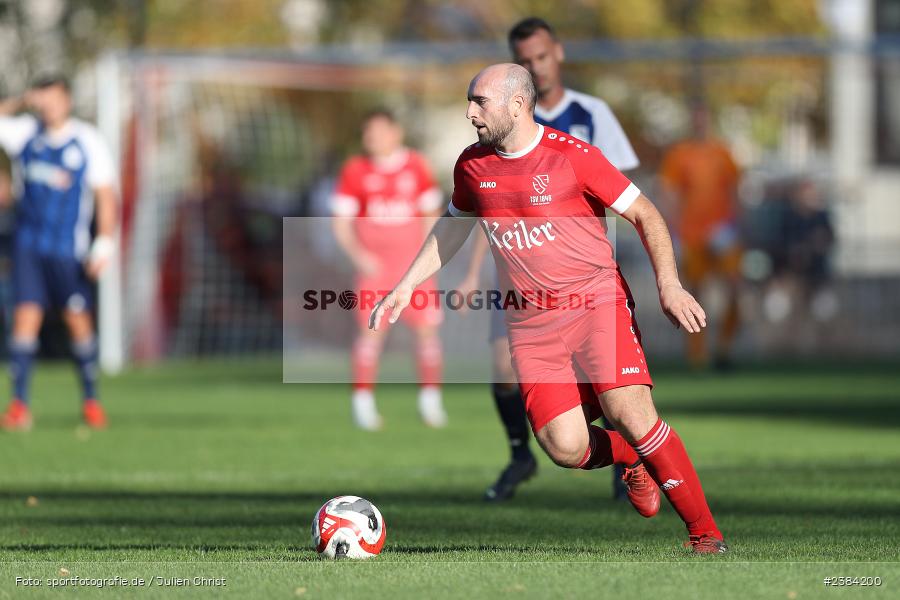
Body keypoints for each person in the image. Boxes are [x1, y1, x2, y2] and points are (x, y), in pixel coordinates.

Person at [371, 64, 727, 553]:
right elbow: (453, 225)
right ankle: (630, 458)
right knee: (565, 447)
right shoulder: (471, 165)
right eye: (470, 102)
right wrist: (405, 285)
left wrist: (670, 285)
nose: (471, 113)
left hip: (595, 303)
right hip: (531, 325)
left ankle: (705, 536)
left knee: (629, 411)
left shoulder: (573, 157)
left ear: (517, 105)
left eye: (481, 102)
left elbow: (645, 212)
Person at [456, 17, 638, 503]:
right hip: (517, 275)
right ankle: (520, 454)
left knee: (611, 390)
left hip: (582, 280)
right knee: (502, 367)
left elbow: (623, 193)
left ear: (556, 54)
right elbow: (488, 206)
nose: (534, 65)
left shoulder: (590, 114)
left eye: (540, 56)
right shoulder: (496, 128)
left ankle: (628, 456)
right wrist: (473, 272)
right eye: (525, 58)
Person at [0, 75, 118, 431]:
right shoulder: (25, 134)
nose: (49, 106)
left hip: (69, 249)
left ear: (67, 100)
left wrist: (105, 241)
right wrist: (22, 99)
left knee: (77, 322)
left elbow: (105, 195)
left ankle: (91, 400)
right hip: (29, 246)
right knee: (24, 321)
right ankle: (20, 405)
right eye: (43, 99)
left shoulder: (87, 140)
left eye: (54, 98)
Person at [331, 109, 446, 430]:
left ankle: (430, 403)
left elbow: (432, 216)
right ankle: (363, 405)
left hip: (414, 271)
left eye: (380, 131)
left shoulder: (417, 166)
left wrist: (425, 262)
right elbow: (341, 224)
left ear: (396, 133)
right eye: (368, 132)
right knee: (370, 335)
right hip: (376, 271)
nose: (373, 138)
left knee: (426, 333)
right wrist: (360, 257)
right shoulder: (355, 171)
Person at [659, 103, 741, 370]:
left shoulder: (722, 152)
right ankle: (698, 354)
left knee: (734, 286)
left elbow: (734, 190)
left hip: (721, 229)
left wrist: (738, 224)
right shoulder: (680, 155)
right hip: (691, 232)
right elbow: (670, 193)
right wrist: (673, 229)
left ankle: (725, 347)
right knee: (695, 292)